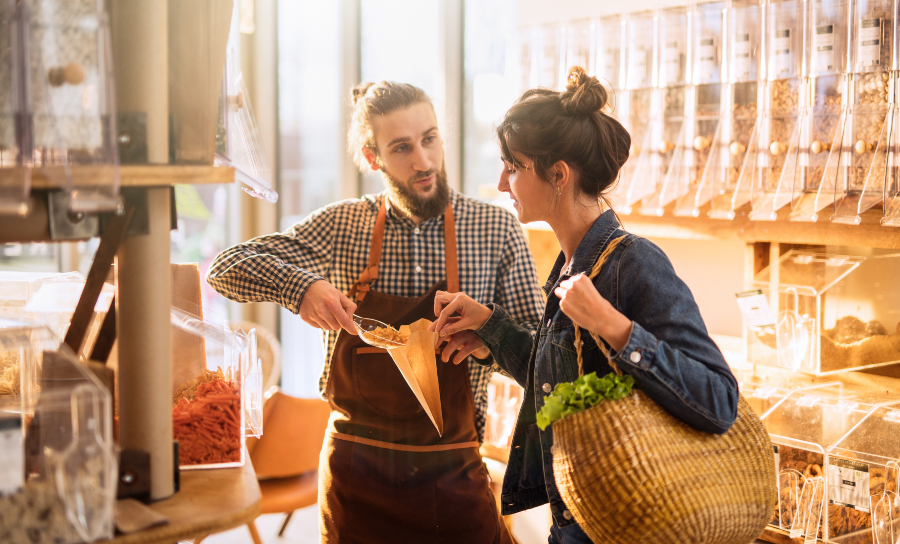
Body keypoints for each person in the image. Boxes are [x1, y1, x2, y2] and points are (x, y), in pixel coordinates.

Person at [207, 80, 543, 543]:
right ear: (373, 158)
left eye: (429, 139)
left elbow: (540, 352)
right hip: (355, 483)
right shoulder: (342, 225)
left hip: (454, 478)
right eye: (401, 148)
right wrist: (301, 286)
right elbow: (225, 268)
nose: (423, 162)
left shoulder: (495, 228)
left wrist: (490, 334)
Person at [429, 66, 740, 544]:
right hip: (577, 522)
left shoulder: (634, 262)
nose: (500, 183)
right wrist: (491, 330)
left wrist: (616, 329)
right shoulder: (571, 266)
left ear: (558, 175)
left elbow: (720, 401)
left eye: (513, 168)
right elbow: (565, 379)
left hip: (626, 530)